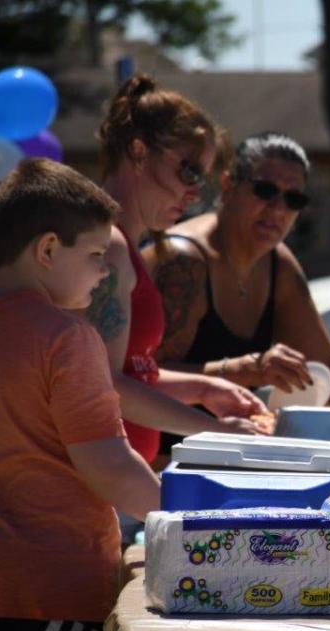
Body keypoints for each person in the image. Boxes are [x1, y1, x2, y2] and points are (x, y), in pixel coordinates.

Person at [0, 159, 161, 631]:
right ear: (48, 248)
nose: (103, 275)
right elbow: (109, 467)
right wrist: (189, 519)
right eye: (96, 255)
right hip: (56, 591)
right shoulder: (67, 338)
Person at [86, 74, 270, 469]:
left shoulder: (124, 247)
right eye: (188, 172)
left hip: (112, 488)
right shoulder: (109, 246)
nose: (194, 193)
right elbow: (104, 384)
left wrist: (203, 387)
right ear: (138, 151)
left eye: (201, 180)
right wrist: (219, 432)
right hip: (92, 490)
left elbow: (132, 373)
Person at [143, 131, 330, 408]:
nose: (278, 209)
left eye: (294, 199)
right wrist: (243, 370)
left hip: (223, 443)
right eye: (265, 190)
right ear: (228, 186)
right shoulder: (182, 261)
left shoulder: (277, 263)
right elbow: (139, 377)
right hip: (159, 449)